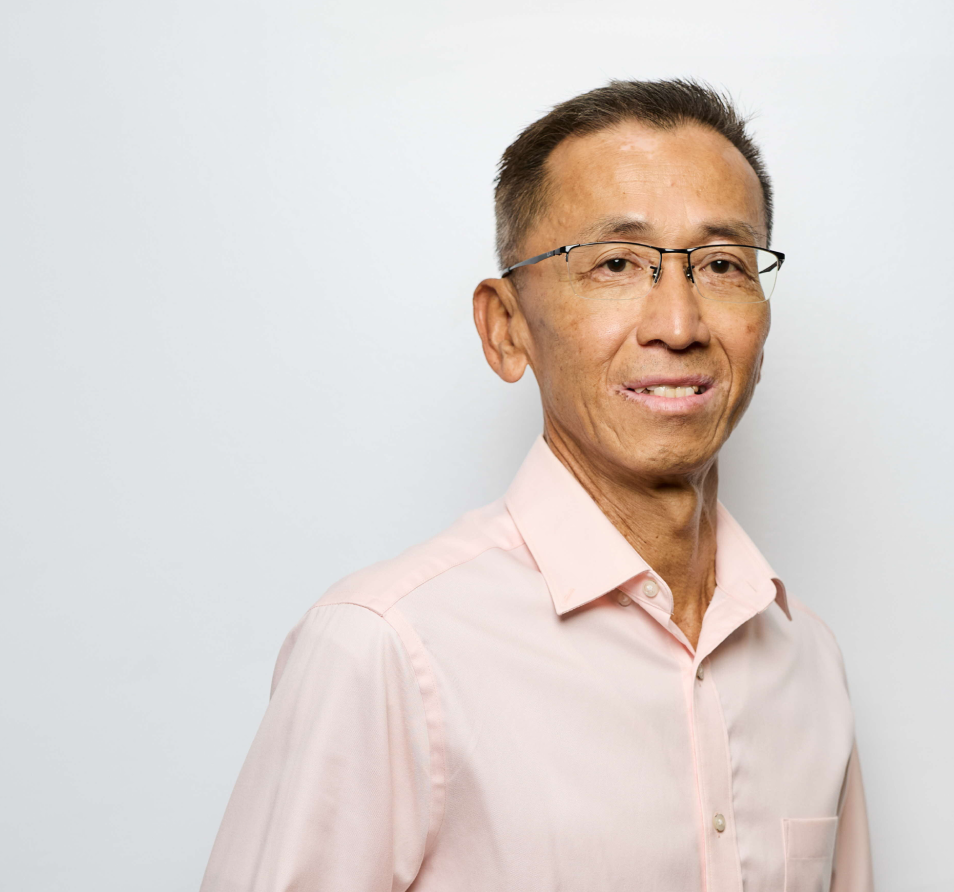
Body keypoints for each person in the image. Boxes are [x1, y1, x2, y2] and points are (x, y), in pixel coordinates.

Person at [201, 78, 873, 892]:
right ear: (506, 327)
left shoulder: (805, 659)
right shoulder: (386, 650)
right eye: (617, 263)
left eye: (722, 264)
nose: (680, 323)